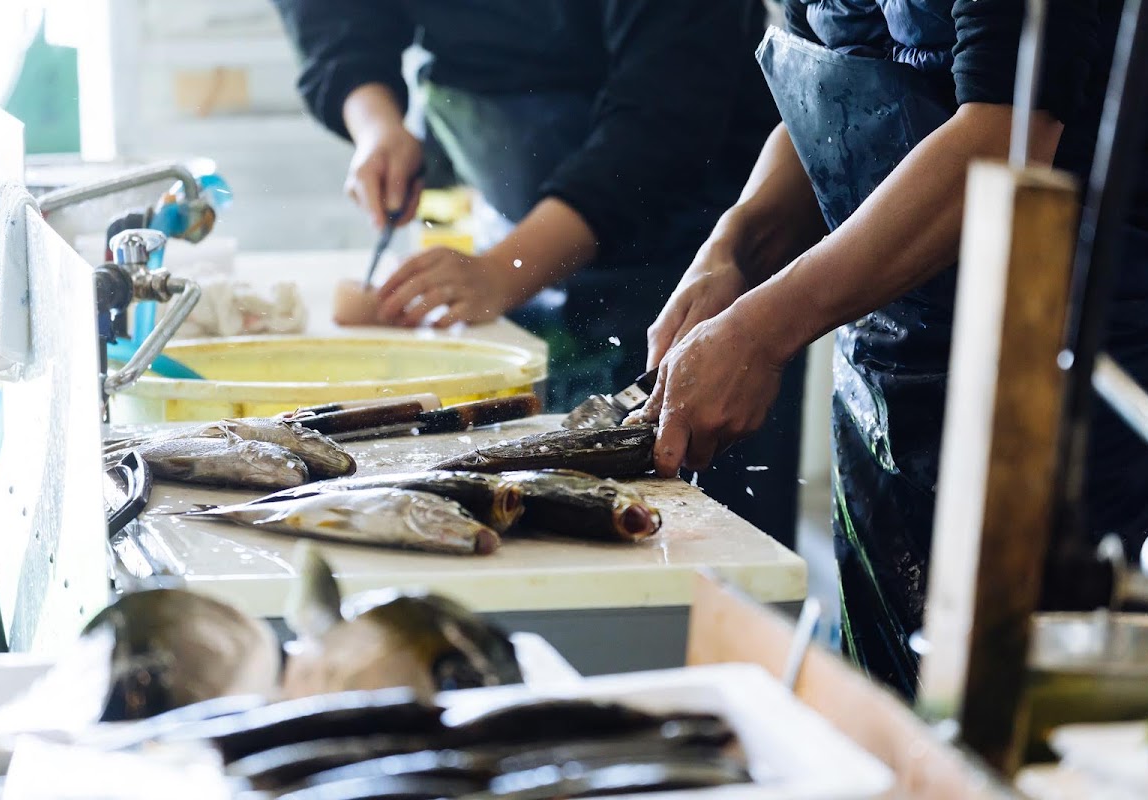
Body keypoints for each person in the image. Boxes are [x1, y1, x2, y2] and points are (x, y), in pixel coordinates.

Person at [637, 0, 1148, 698]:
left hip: (1075, 370)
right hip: (887, 368)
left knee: (1033, 717)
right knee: (897, 708)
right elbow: (841, 84)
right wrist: (735, 248)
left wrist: (760, 333)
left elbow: (1002, 135)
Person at [271, 1, 808, 548]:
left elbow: (664, 115)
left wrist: (504, 271)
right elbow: (331, 15)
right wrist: (377, 125)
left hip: (690, 246)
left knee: (697, 544)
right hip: (511, 227)